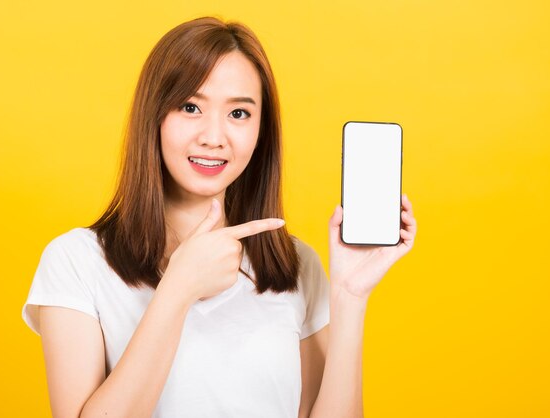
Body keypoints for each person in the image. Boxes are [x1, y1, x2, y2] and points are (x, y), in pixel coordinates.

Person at [21, 16, 417, 418]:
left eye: (239, 114)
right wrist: (178, 288)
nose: (214, 137)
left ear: (262, 129)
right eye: (190, 107)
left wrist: (349, 297)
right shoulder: (76, 262)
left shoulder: (295, 267)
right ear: (154, 116)